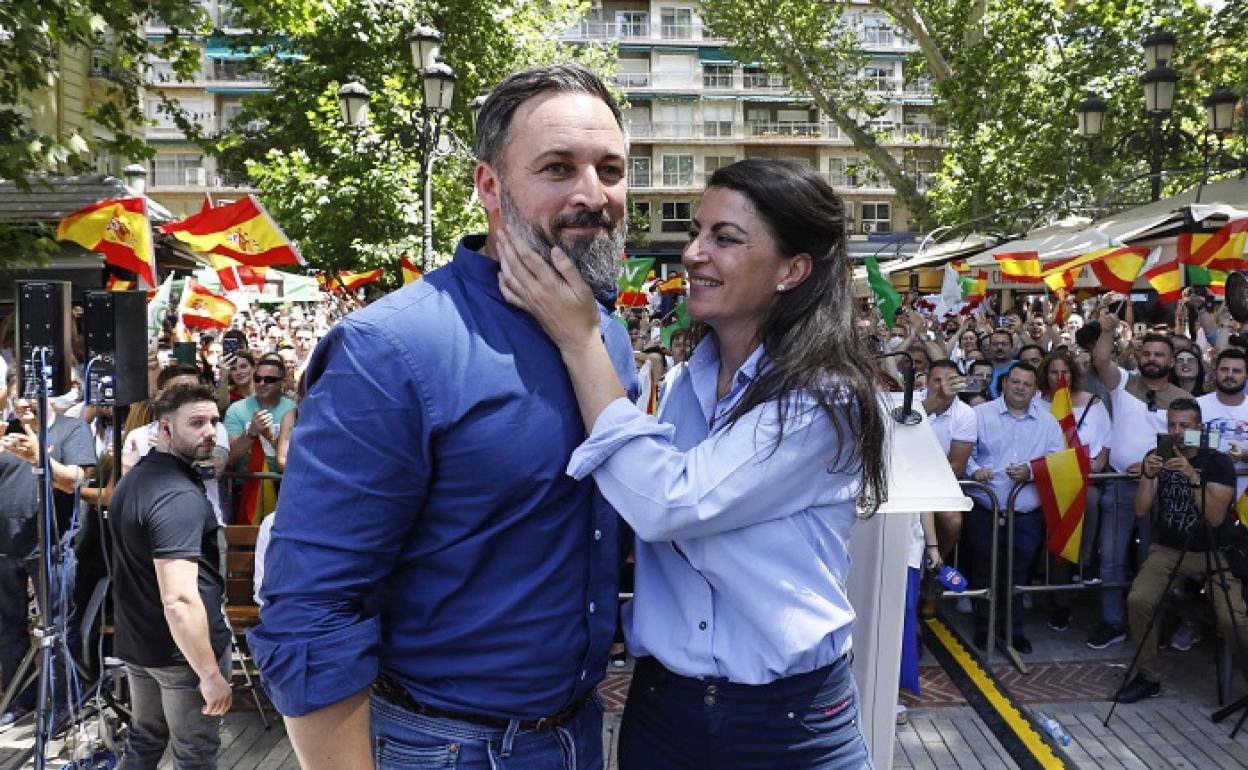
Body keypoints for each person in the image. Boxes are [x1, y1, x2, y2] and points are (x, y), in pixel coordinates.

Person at [249, 64, 637, 770]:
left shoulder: (603, 332)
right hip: (444, 747)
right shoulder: (391, 348)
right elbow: (310, 610)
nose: (592, 194)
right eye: (557, 167)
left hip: (579, 734)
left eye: (609, 168)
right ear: (489, 186)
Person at [498, 158, 887, 769]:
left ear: (793, 269)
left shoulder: (822, 396)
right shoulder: (687, 382)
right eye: (696, 233)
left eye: (725, 238)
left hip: (788, 722)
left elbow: (669, 503)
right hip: (664, 710)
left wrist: (580, 342)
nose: (694, 254)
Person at [110, 382, 232, 768]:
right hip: (183, 656)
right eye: (195, 423)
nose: (209, 431)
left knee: (144, 740)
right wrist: (209, 673)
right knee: (193, 753)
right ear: (163, 429)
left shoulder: (134, 480)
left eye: (214, 421)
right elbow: (178, 598)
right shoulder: (175, 494)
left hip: (141, 645)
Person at [1119, 398, 1248, 702]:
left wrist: (1192, 477)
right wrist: (1149, 476)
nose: (1176, 432)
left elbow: (1215, 517)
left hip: (1215, 548)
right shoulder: (1158, 455)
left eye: (1184, 426)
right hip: (1170, 547)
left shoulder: (1217, 461)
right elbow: (1140, 510)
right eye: (1172, 425)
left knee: (1234, 619)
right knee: (1139, 600)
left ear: (1199, 428)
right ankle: (1148, 676)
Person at [0, 370, 96, 729]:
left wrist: (39, 456)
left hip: (51, 546)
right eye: (17, 393)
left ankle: (63, 703)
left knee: (58, 627)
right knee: (8, 629)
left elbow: (75, 480)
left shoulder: (72, 429)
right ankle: (19, 700)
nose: (22, 402)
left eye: (30, 394)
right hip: (5, 547)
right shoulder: (6, 429)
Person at [1089, 316, 1190, 650]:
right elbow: (1100, 359)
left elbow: (1193, 445)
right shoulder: (1124, 384)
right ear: (1138, 356)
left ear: (1171, 361)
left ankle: (1151, 626)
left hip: (1163, 492)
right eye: (1147, 353)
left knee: (1154, 562)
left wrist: (1153, 466)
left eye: (1160, 355)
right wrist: (1106, 330)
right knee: (1111, 559)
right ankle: (1112, 621)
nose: (1152, 360)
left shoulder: (1184, 401)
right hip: (1119, 487)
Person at [964, 362, 1064, 653]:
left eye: (1027, 384)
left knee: (1018, 574)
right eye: (1015, 382)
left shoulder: (1047, 421)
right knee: (985, 570)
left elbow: (1058, 459)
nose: (1020, 388)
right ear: (1004, 383)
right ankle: (984, 629)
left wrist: (1032, 472)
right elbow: (963, 451)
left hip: (1026, 514)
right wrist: (974, 470)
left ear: (1035, 390)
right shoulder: (979, 415)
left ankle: (1013, 630)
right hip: (987, 509)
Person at [1037, 350, 1112, 631]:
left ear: (1074, 374)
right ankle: (1061, 603)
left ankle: (1086, 562)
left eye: (1065, 372)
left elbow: (1105, 446)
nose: (1060, 377)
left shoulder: (1094, 404)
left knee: (1089, 502)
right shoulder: (1037, 405)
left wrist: (1097, 465)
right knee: (1058, 537)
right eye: (1054, 372)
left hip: (1086, 481)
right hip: (1051, 485)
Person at [224, 356, 294, 524]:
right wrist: (251, 433)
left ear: (282, 382)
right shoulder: (236, 409)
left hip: (283, 488)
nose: (262, 383)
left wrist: (269, 436)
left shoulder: (292, 409)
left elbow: (294, 457)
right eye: (257, 378)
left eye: (269, 379)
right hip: (246, 487)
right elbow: (231, 458)